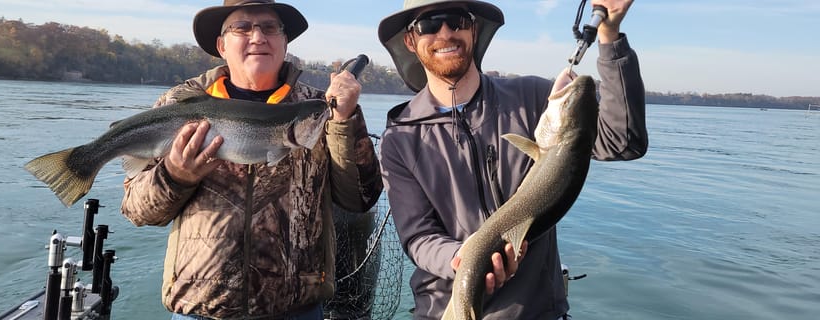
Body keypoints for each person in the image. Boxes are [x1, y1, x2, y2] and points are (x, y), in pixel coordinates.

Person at [377, 0, 648, 319]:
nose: (446, 32)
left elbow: (623, 142)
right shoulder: (399, 138)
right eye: (429, 24)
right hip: (442, 310)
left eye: (457, 20)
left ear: (474, 30)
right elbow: (417, 235)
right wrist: (461, 258)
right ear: (410, 40)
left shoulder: (534, 97)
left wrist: (609, 32)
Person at [119, 1, 383, 319]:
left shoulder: (320, 109)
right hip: (200, 310)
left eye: (270, 28)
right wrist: (176, 175)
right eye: (242, 27)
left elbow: (361, 197)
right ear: (222, 44)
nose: (257, 37)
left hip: (298, 309)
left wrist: (345, 118)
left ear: (285, 42)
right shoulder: (177, 104)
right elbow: (137, 210)